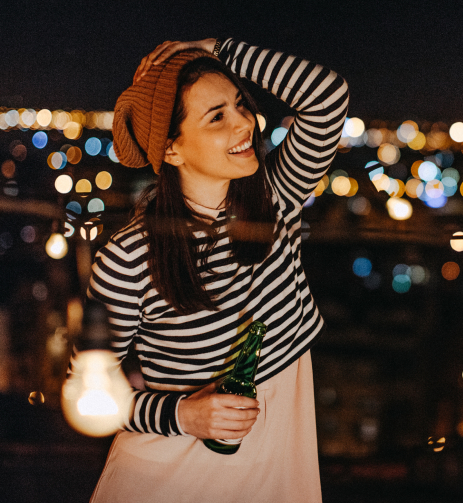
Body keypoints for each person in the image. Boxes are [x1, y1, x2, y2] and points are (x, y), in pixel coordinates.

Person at [85, 37, 348, 502]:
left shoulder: (274, 199)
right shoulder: (131, 257)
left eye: (240, 104)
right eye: (217, 117)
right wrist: (183, 414)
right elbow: (92, 396)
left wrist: (214, 49)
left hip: (278, 457)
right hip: (173, 473)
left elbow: (326, 98)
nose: (244, 122)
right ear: (171, 150)